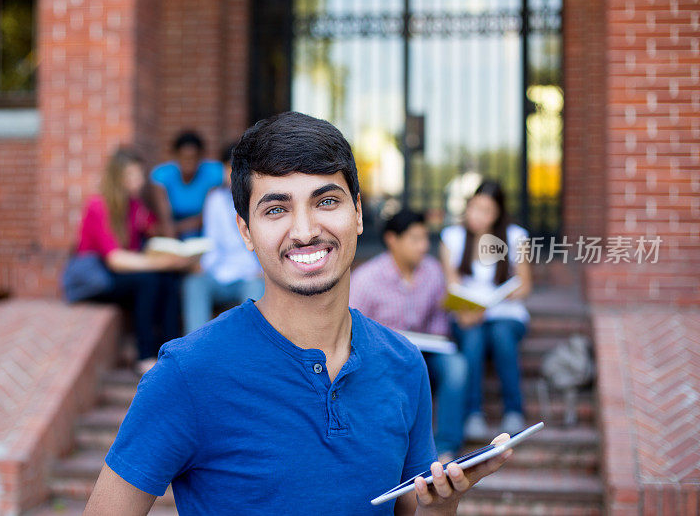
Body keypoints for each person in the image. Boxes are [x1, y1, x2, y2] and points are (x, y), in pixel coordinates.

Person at [84, 112, 513, 516]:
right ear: (245, 232)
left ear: (359, 213)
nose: (305, 230)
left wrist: (442, 508)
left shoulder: (404, 364)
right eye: (276, 209)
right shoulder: (187, 374)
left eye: (326, 201)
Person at [350, 209, 468, 461]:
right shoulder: (366, 279)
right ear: (393, 239)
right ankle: (397, 453)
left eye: (425, 239)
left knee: (456, 366)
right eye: (415, 239)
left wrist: (438, 338)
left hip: (426, 352)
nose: (424, 246)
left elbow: (439, 318)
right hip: (385, 356)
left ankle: (445, 449)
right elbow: (353, 328)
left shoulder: (433, 272)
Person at [75, 146, 196, 374]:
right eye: (133, 175)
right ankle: (145, 356)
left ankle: (171, 350)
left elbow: (154, 231)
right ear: (117, 178)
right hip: (95, 277)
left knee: (168, 279)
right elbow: (115, 259)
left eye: (140, 174)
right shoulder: (99, 206)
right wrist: (162, 262)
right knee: (149, 280)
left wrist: (174, 252)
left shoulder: (135, 205)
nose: (139, 181)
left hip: (122, 274)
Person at [439, 180, 533, 440]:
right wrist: (466, 309)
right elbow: (452, 285)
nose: (478, 216)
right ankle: (473, 413)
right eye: (474, 208)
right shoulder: (452, 237)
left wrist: (500, 296)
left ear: (498, 214)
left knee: (502, 336)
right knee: (473, 338)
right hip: (468, 314)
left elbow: (525, 285)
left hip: (506, 313)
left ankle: (514, 410)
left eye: (486, 210)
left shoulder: (515, 236)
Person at [182, 144, 265, 333]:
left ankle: (250, 353)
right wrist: (202, 265)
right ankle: (196, 350)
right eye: (228, 168)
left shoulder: (258, 201)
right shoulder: (214, 200)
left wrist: (263, 269)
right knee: (194, 284)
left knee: (255, 290)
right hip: (217, 271)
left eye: (237, 169)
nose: (231, 174)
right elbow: (211, 240)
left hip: (249, 274)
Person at [150, 131, 223, 239]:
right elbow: (165, 217)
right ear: (176, 156)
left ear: (201, 157)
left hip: (203, 232)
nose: (188, 162)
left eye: (193, 158)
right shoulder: (162, 175)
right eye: (183, 158)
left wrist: (175, 228)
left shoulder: (213, 173)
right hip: (173, 232)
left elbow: (208, 216)